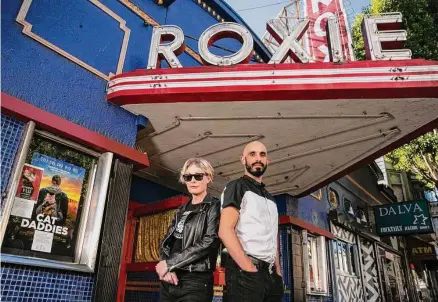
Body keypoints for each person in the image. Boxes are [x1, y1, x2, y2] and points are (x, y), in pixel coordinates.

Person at [219, 141, 284, 302]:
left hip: (271, 277)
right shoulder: (236, 187)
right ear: (243, 160)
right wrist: (249, 268)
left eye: (262, 154)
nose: (258, 158)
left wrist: (278, 271)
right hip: (245, 274)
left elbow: (271, 236)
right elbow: (225, 230)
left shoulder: (271, 198)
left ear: (267, 161)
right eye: (252, 154)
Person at [156, 158, 221, 302]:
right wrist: (167, 267)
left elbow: (210, 241)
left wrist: (169, 263)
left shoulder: (214, 206)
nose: (193, 180)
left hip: (196, 281)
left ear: (208, 178)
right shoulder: (181, 210)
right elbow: (166, 242)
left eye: (198, 176)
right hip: (170, 279)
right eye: (188, 176)